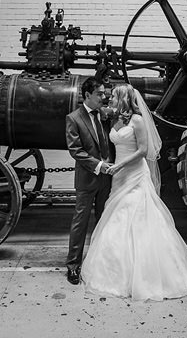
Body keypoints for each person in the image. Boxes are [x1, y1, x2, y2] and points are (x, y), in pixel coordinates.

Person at [80, 83, 187, 301]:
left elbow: (143, 151)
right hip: (118, 174)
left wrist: (120, 165)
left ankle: (144, 275)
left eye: (113, 96)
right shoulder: (115, 119)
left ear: (124, 98)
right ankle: (114, 270)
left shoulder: (138, 121)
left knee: (136, 214)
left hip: (133, 172)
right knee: (116, 216)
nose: (109, 99)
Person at [65, 77, 114, 285]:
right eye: (99, 94)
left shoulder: (104, 115)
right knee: (81, 222)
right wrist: (98, 165)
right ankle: (73, 266)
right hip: (87, 178)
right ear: (87, 95)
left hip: (106, 179)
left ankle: (101, 263)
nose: (104, 97)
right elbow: (75, 150)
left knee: (104, 221)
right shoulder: (73, 118)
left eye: (104, 93)